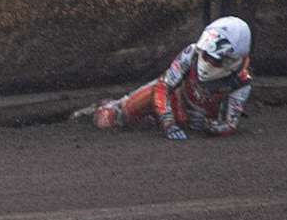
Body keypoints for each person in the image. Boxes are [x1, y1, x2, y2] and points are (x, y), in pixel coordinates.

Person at [85, 16, 253, 140]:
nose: (206, 60)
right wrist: (168, 122)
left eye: (214, 59)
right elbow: (163, 86)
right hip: (172, 101)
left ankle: (151, 117)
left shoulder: (241, 82)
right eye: (205, 54)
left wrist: (206, 124)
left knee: (147, 122)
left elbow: (228, 126)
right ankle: (107, 106)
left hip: (186, 119)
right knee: (106, 119)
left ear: (232, 60)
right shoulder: (192, 53)